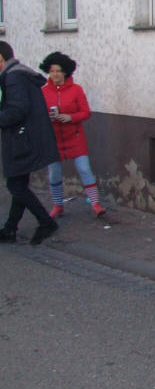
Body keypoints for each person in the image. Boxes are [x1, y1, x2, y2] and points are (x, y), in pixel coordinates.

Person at [0, 41, 59, 245]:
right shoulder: (17, 73)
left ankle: (46, 222)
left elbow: (18, 110)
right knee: (18, 184)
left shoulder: (13, 77)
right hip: (25, 138)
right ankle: (10, 229)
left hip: (21, 139)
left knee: (15, 185)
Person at [39, 52, 105, 218]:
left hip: (74, 137)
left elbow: (85, 112)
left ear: (66, 72)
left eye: (59, 71)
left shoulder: (76, 90)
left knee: (84, 169)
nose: (55, 74)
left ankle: (95, 204)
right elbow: (37, 114)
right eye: (52, 71)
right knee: (54, 172)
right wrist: (47, 117)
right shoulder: (43, 91)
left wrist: (70, 117)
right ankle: (58, 205)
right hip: (53, 138)